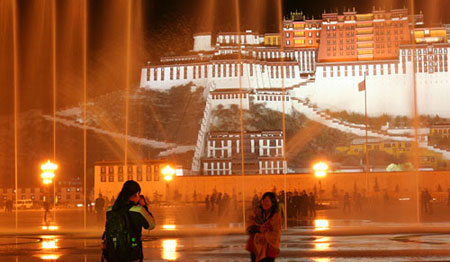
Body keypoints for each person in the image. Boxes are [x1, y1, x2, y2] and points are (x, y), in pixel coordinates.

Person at [102, 180, 155, 262]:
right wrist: (144, 206)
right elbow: (151, 225)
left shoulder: (110, 210)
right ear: (137, 193)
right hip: (132, 253)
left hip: (113, 252)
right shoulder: (138, 210)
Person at [246, 192, 282, 262]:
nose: (264, 203)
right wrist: (258, 229)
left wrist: (265, 236)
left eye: (267, 201)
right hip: (255, 246)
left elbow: (276, 232)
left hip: (269, 247)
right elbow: (249, 226)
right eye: (263, 201)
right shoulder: (256, 212)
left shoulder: (276, 216)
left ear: (273, 202)